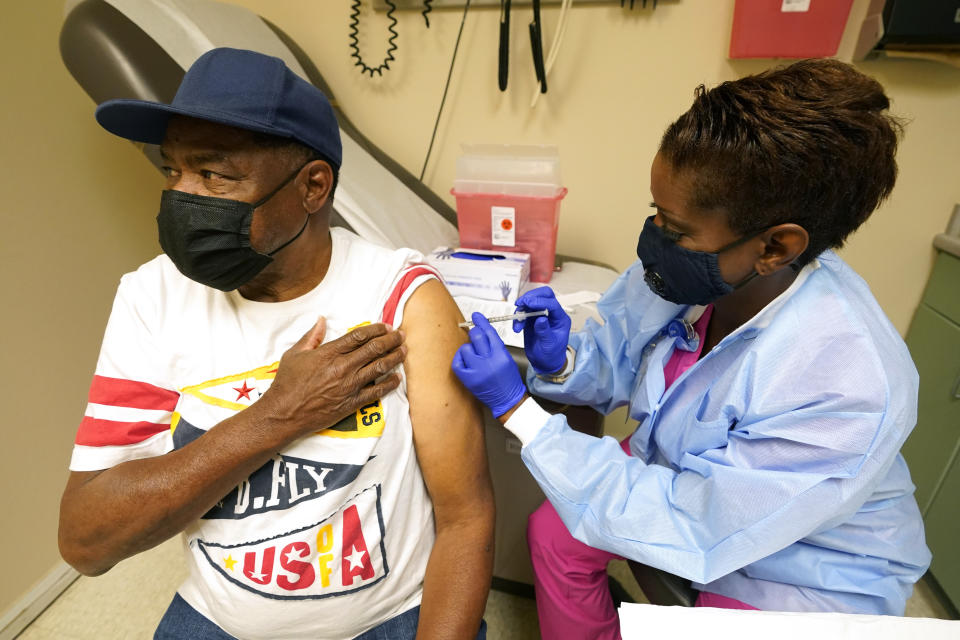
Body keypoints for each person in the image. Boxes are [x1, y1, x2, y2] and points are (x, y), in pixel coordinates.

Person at [452, 58, 931, 639]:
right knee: (556, 532)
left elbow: (694, 522)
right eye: (655, 212)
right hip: (684, 474)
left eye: (675, 229)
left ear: (775, 247)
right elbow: (617, 354)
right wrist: (563, 359)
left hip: (808, 566)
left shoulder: (850, 380)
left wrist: (519, 412)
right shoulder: (695, 273)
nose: (656, 237)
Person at [58, 47, 494, 640]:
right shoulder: (151, 297)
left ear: (312, 187)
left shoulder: (399, 297)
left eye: (213, 175)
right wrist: (278, 415)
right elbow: (85, 541)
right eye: (172, 170)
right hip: (219, 617)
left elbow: (465, 518)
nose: (183, 196)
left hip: (386, 620)